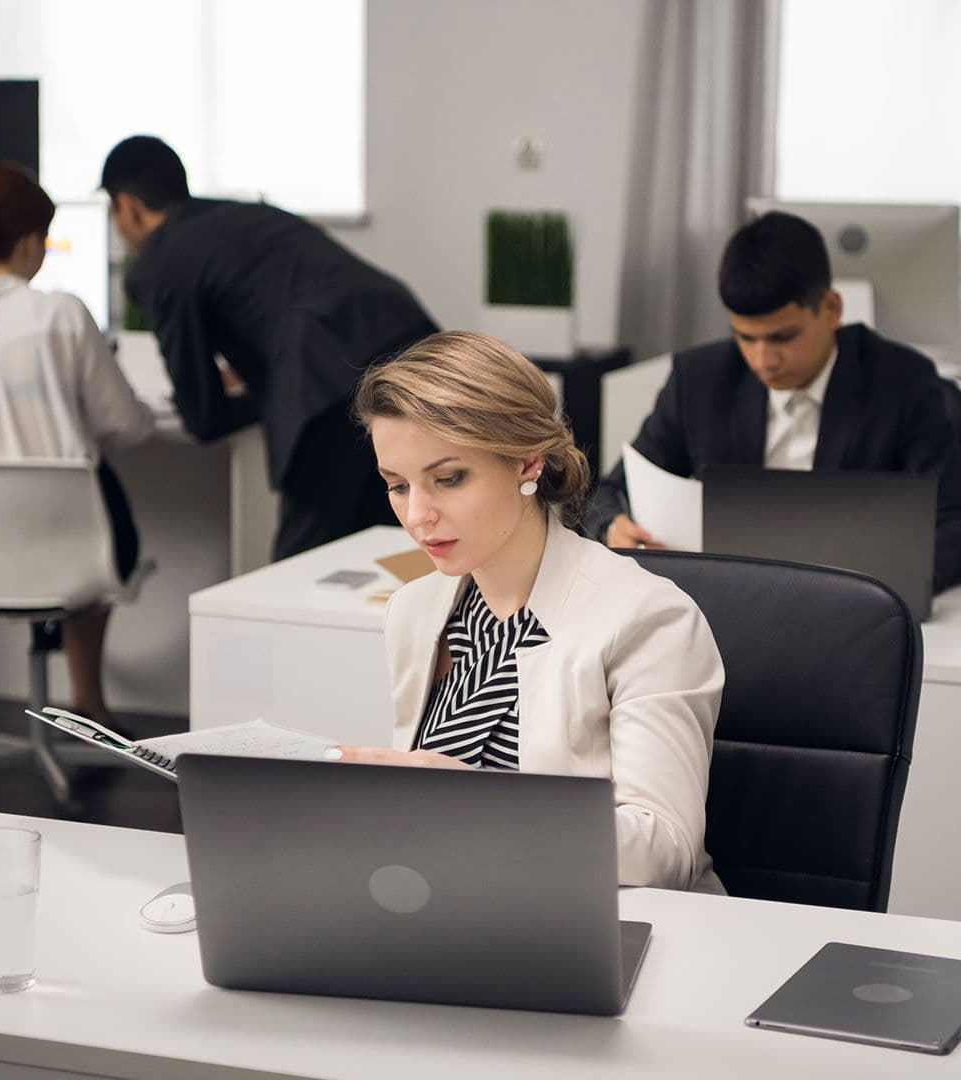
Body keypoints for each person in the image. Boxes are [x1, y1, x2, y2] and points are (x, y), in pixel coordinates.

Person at [333, 330, 725, 892]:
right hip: (455, 904)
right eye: (397, 486)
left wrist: (475, 799)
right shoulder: (415, 611)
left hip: (603, 926)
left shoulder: (649, 618)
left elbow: (666, 852)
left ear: (527, 464)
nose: (417, 515)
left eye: (448, 479)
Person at [99, 135, 438, 560]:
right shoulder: (244, 216)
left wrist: (264, 402)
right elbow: (287, 299)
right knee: (406, 547)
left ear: (127, 206)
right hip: (410, 339)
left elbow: (203, 418)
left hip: (326, 380)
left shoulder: (158, 261)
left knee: (303, 568)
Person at [587, 210, 961, 594]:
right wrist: (612, 524)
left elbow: (952, 522)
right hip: (728, 601)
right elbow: (610, 491)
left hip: (857, 607)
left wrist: (874, 587)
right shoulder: (698, 380)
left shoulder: (905, 382)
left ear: (832, 309)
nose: (763, 360)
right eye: (746, 338)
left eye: (783, 337)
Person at [0, 161, 154, 724]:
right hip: (69, 555)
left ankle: (82, 700)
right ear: (30, 242)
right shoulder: (62, 315)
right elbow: (127, 427)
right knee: (93, 495)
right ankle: (88, 700)